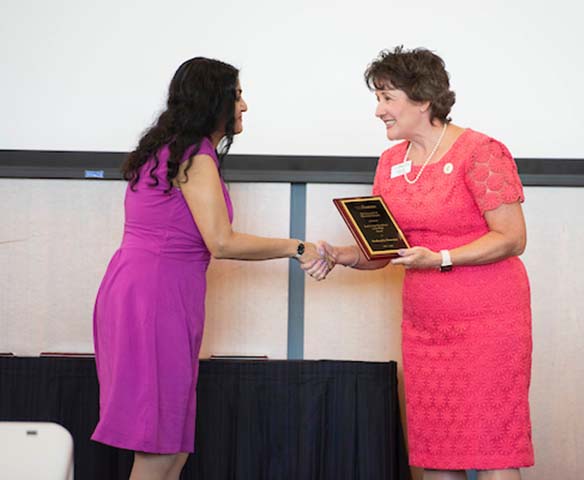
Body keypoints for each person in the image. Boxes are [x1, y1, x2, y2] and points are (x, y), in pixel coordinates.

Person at [91, 56, 331, 480]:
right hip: (156, 297)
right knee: (159, 446)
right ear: (214, 99)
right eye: (237, 95)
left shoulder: (170, 149)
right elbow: (221, 242)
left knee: (174, 446)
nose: (244, 105)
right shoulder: (194, 158)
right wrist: (298, 247)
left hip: (147, 290)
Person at [309, 47, 534, 480]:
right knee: (435, 451)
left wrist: (442, 258)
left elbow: (512, 238)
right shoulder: (390, 162)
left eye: (387, 98)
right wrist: (340, 255)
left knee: (492, 448)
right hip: (425, 327)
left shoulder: (481, 152)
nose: (378, 111)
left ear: (423, 100)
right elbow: (384, 253)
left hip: (488, 323)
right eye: (377, 98)